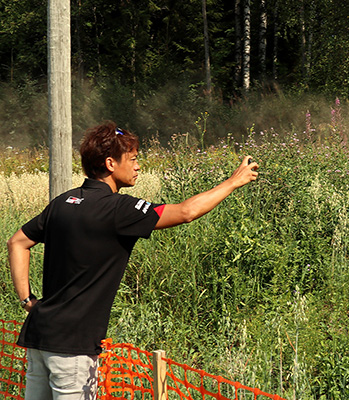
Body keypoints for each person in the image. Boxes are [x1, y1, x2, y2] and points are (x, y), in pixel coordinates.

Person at [7, 121, 258, 400]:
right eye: (134, 159)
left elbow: (16, 242)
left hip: (39, 336)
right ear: (111, 163)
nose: (138, 166)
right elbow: (186, 212)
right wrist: (234, 181)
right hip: (74, 348)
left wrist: (27, 300)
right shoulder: (118, 209)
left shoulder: (62, 202)